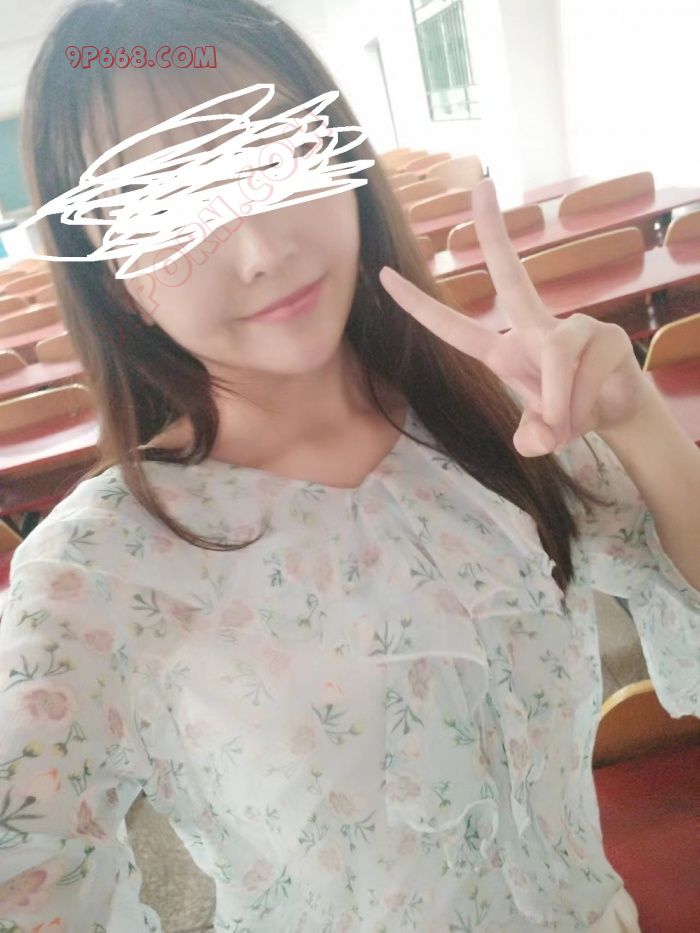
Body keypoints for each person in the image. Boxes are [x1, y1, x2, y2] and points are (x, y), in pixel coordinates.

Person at [1, 0, 698, 930]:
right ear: (110, 279)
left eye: (275, 157)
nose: (261, 249)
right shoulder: (94, 575)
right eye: (168, 208)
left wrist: (639, 419)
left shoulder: (500, 417)